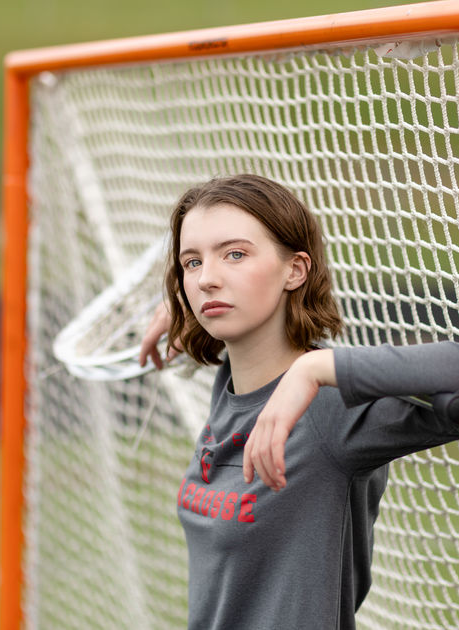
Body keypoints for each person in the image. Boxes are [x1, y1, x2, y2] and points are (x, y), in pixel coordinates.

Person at [139, 173, 459, 630]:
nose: (207, 278)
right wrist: (179, 304)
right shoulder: (232, 382)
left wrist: (317, 370)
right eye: (192, 263)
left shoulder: (330, 409)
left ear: (295, 270)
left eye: (235, 254)